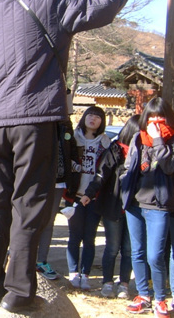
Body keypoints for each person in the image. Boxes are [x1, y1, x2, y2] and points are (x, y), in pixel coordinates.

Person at [0, 0, 136, 311]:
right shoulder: (52, 3)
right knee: (29, 204)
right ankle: (18, 293)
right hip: (35, 118)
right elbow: (99, 8)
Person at [121, 97, 174, 317]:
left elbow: (170, 166)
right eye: (151, 115)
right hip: (135, 202)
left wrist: (157, 140)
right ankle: (143, 295)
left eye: (160, 115)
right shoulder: (138, 136)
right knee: (138, 252)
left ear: (168, 116)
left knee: (156, 255)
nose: (155, 119)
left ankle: (161, 298)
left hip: (159, 204)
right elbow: (130, 166)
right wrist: (124, 190)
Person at [84, 115, 139, 299]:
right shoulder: (115, 150)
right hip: (113, 207)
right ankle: (107, 282)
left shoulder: (143, 151)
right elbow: (101, 176)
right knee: (112, 247)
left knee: (129, 249)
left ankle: (124, 284)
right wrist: (88, 194)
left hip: (134, 209)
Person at [67, 106, 111, 290]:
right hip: (75, 195)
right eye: (90, 115)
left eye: (98, 117)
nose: (93, 119)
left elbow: (106, 171)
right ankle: (73, 272)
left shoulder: (106, 142)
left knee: (89, 237)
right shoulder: (73, 138)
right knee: (74, 236)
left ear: (102, 121)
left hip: (94, 197)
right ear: (84, 117)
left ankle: (85, 274)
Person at [36, 119, 79, 280]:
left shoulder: (64, 125)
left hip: (58, 180)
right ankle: (21, 259)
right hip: (36, 181)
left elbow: (72, 149)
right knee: (30, 220)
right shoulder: (36, 120)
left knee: (48, 222)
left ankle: (41, 261)